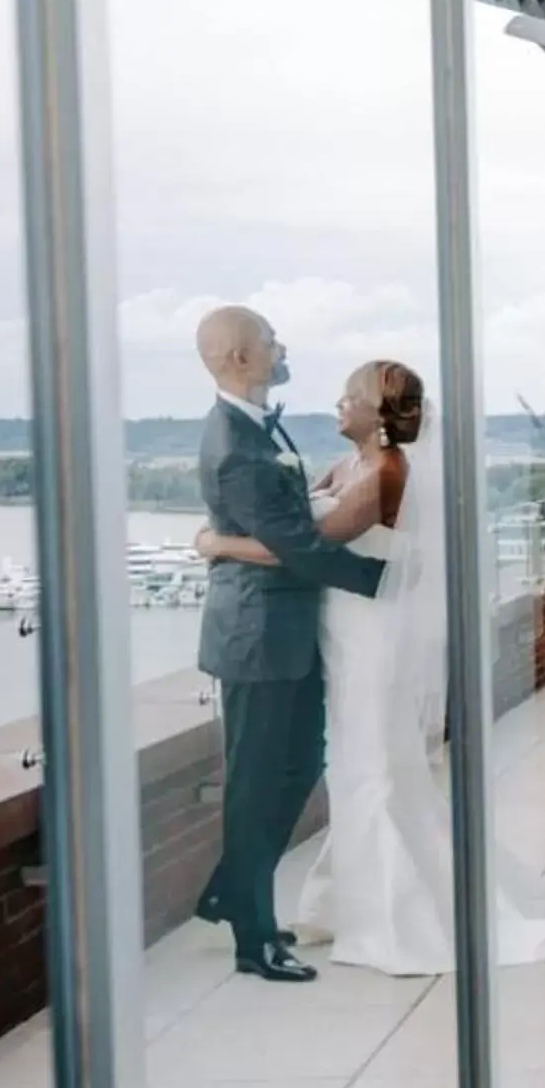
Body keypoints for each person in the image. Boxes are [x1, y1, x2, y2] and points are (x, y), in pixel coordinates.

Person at [198, 357, 545, 974]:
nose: (339, 405)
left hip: (369, 636)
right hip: (344, 633)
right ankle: (355, 902)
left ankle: (395, 916)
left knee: (373, 766)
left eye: (350, 398)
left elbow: (311, 546)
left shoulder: (384, 475)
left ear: (379, 416)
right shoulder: (351, 466)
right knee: (354, 765)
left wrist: (218, 544)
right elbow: (301, 521)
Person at [190, 307, 385, 985]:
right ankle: (253, 936)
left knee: (300, 766)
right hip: (256, 637)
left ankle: (231, 890)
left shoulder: (258, 428)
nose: (282, 347)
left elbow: (291, 520)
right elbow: (294, 546)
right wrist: (379, 579)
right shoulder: (234, 445)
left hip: (289, 632)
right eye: (271, 340)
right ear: (240, 357)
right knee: (255, 783)